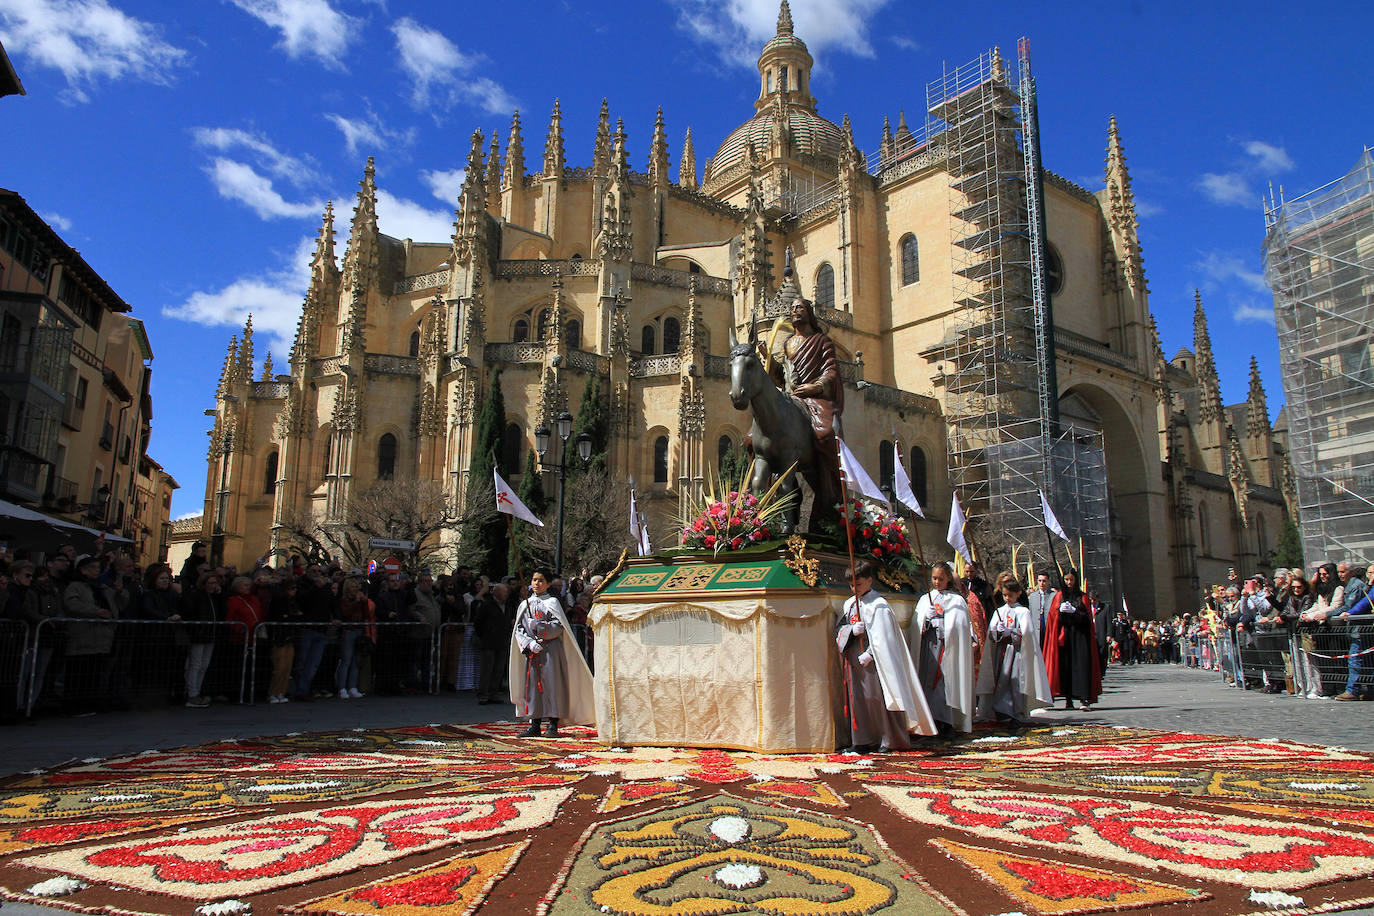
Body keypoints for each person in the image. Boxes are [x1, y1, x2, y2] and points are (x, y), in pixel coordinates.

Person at [835, 560, 934, 752]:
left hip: (876, 662)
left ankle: (889, 738)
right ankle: (861, 739)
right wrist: (850, 631)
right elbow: (839, 629)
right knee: (859, 700)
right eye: (851, 585)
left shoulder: (879, 605)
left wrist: (870, 653)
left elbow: (886, 638)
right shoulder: (849, 604)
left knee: (879, 699)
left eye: (859, 584)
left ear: (870, 581)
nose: (854, 588)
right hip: (855, 659)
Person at [768, 296, 843, 530]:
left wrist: (817, 386)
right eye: (791, 308)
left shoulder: (822, 341)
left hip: (814, 398)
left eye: (799, 308)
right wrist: (768, 360)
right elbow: (781, 377)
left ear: (809, 313)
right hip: (790, 398)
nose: (794, 311)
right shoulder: (788, 344)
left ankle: (832, 480)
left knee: (826, 432)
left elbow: (831, 371)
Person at [508, 569, 595, 738]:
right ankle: (534, 723)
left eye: (541, 580)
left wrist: (540, 628)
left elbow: (558, 626)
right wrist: (529, 643)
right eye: (534, 580)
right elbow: (519, 629)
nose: (536, 584)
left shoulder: (552, 602)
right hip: (533, 652)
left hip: (551, 651)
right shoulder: (524, 604)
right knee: (533, 687)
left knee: (553, 686)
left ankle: (553, 724)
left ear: (547, 584)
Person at [976, 573, 1052, 723]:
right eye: (1004, 595)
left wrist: (1012, 632)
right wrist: (997, 631)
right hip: (1001, 653)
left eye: (1010, 595)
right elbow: (992, 633)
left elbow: (1028, 633)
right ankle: (999, 710)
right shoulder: (1000, 611)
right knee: (1001, 681)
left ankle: (1016, 713)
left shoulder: (1023, 612)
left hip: (1017, 654)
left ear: (1018, 594)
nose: (1007, 599)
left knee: (1015, 682)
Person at [909, 561, 974, 735]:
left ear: (948, 579)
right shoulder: (925, 599)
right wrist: (925, 619)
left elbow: (960, 625)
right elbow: (916, 625)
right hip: (928, 647)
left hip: (947, 647)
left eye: (941, 579)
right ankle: (930, 720)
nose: (937, 582)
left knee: (945, 683)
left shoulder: (957, 600)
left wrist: (944, 623)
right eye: (934, 578)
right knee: (928, 682)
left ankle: (947, 721)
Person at [1043, 568, 1101, 710]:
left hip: (1080, 637)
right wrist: (1059, 612)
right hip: (1065, 636)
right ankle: (1068, 699)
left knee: (1081, 667)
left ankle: (1084, 698)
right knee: (1066, 668)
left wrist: (1075, 612)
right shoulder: (1059, 597)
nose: (1069, 583)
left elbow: (1088, 619)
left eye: (1071, 580)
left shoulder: (1083, 597)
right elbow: (1052, 618)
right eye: (1067, 580)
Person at [1333, 561, 1371, 701]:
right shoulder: (1349, 586)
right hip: (1356, 629)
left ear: (1351, 571)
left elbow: (1351, 606)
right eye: (1338, 572)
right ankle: (1369, 689)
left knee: (1355, 658)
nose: (1340, 575)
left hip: (1360, 629)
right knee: (1365, 659)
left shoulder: (1356, 586)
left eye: (1343, 572)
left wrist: (1328, 614)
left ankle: (1352, 690)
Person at [1027, 572, 1054, 644]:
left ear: (1048, 581)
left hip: (1048, 627)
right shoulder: (1032, 596)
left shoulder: (1053, 595)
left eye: (1044, 581)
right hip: (1036, 628)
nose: (1042, 583)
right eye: (1040, 581)